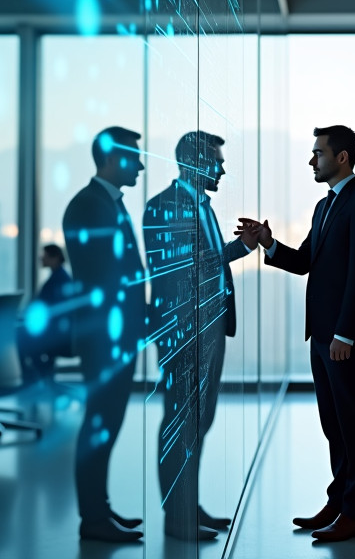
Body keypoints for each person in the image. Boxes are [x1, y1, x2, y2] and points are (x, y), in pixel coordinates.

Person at [239, 125, 355, 543]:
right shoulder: (325, 207)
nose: (311, 160)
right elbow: (305, 261)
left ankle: (354, 514)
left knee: (353, 422)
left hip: (343, 336)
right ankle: (339, 502)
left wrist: (345, 335)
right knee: (332, 423)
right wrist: (268, 242)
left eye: (318, 153)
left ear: (342, 157)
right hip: (321, 335)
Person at [144, 131, 256, 541]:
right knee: (181, 423)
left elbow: (201, 262)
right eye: (216, 160)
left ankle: (188, 507)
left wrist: (237, 248)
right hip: (185, 333)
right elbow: (182, 271)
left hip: (207, 329)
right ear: (193, 161)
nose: (223, 168)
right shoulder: (167, 207)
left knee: (197, 423)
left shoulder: (200, 206)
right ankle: (177, 519)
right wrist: (240, 249)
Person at [62, 126, 146, 543]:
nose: (142, 165)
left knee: (106, 425)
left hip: (116, 337)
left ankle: (100, 509)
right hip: (104, 340)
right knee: (99, 426)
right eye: (135, 157)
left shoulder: (105, 203)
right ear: (112, 159)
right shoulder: (90, 207)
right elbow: (105, 282)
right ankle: (93, 519)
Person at [19, 244, 74, 380]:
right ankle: (43, 376)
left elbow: (43, 307)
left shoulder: (57, 281)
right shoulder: (61, 277)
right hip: (60, 331)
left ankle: (37, 378)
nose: (41, 258)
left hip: (58, 335)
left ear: (55, 258)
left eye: (44, 255)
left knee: (21, 340)